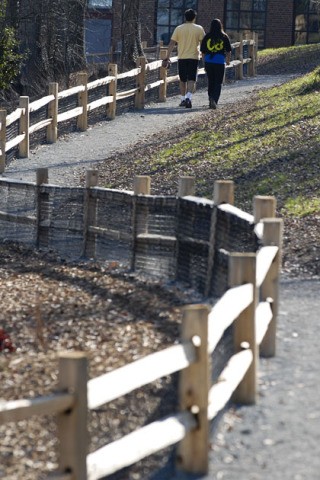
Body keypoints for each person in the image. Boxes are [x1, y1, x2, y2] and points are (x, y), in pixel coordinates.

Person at [162, 9, 205, 109]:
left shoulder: (179, 28)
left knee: (182, 79)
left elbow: (172, 43)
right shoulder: (199, 28)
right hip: (194, 57)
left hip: (181, 57)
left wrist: (167, 56)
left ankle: (182, 99)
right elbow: (203, 44)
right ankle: (188, 98)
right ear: (194, 18)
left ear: (185, 17)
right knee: (192, 79)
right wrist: (203, 56)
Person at [200, 18, 232, 109]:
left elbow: (203, 51)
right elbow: (229, 50)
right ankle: (214, 99)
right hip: (220, 61)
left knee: (211, 81)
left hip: (209, 61)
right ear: (220, 26)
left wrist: (204, 61)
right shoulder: (224, 36)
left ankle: (210, 97)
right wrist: (228, 60)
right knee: (218, 82)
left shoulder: (207, 36)